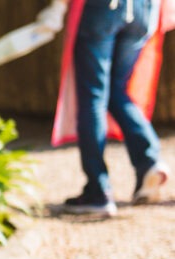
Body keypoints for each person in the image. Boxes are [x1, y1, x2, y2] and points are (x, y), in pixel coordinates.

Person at [38, 0, 170, 216]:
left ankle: (98, 191)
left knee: (94, 95)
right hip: (145, 9)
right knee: (117, 90)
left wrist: (56, 8)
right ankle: (149, 161)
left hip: (103, 8)